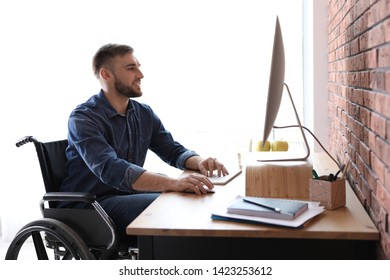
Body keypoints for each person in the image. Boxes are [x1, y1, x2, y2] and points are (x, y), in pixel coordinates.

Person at [59, 43, 228, 244]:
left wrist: (199, 162)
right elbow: (112, 169)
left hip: (123, 197)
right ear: (106, 75)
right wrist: (173, 183)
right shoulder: (83, 118)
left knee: (191, 198)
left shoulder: (143, 113)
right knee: (172, 203)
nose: (140, 74)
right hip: (89, 207)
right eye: (131, 68)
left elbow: (171, 150)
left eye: (138, 67)